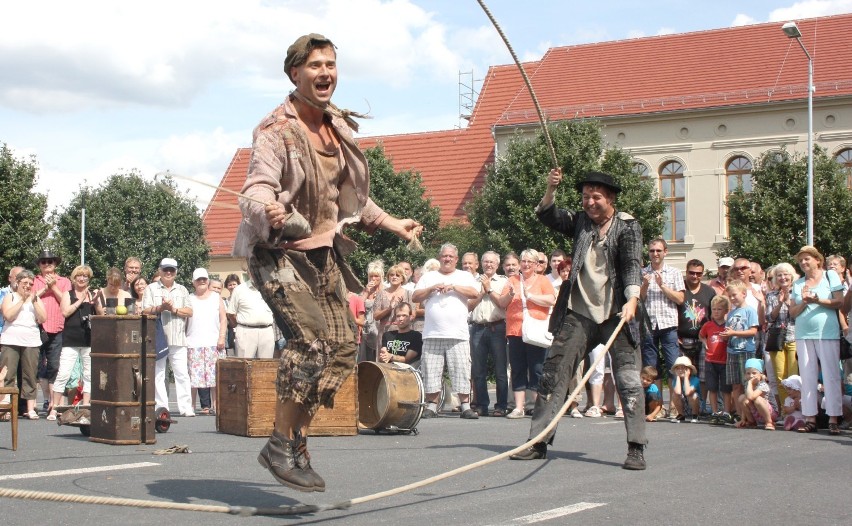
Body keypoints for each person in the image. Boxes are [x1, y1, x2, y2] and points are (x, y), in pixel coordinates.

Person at [234, 34, 421, 492]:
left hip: (322, 254)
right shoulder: (275, 131)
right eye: (315, 65)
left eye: (331, 64)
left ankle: (294, 442)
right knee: (312, 341)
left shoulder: (335, 129)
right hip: (276, 253)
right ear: (294, 73)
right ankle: (279, 442)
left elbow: (349, 199)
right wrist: (267, 210)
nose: (325, 73)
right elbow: (256, 188)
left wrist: (394, 223)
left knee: (342, 345)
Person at [510, 169, 647, 470]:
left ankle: (636, 447)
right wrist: (550, 188)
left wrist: (633, 299)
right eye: (586, 197)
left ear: (610, 198)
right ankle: (538, 442)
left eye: (596, 197)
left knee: (628, 379)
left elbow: (633, 265)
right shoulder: (580, 223)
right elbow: (548, 215)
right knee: (553, 373)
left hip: (616, 312)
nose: (590, 202)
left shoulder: (627, 226)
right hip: (579, 311)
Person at [412, 243, 480, 420]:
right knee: (431, 370)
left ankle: (465, 406)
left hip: (457, 333)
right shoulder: (429, 276)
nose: (447, 259)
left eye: (451, 256)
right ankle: (432, 406)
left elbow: (474, 292)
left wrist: (454, 287)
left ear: (456, 259)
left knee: (461, 369)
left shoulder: (464, 275)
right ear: (440, 257)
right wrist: (431, 288)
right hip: (433, 333)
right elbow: (415, 297)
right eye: (444, 256)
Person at [788, 245, 844, 435]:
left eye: (807, 259)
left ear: (817, 260)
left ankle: (834, 418)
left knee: (831, 376)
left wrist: (818, 300)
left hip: (827, 332)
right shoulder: (798, 284)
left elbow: (839, 302)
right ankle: (810, 417)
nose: (803, 262)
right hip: (804, 333)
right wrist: (804, 301)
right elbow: (793, 312)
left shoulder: (830, 276)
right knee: (808, 377)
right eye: (801, 260)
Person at [496, 249, 556, 418]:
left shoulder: (543, 280)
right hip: (515, 331)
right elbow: (501, 303)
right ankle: (519, 407)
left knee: (537, 368)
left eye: (530, 261)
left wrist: (530, 296)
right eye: (524, 261)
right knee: (517, 368)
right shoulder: (511, 280)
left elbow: (551, 299)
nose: (526, 264)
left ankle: (538, 407)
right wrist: (510, 295)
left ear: (537, 264)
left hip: (536, 330)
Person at [142, 258, 195, 417]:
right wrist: (161, 308)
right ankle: (161, 407)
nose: (169, 273)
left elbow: (190, 312)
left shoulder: (182, 290)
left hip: (178, 338)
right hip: (158, 338)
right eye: (165, 269)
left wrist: (173, 309)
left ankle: (186, 407)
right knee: (158, 374)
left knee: (182, 374)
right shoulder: (151, 289)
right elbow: (145, 311)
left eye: (171, 270)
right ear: (160, 270)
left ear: (176, 272)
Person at [640, 238, 685, 417]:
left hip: (668, 324)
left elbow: (680, 299)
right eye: (652, 251)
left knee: (673, 366)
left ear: (665, 252)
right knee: (651, 368)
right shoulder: (643, 272)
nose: (655, 254)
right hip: (649, 324)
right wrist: (645, 284)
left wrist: (662, 286)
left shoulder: (674, 272)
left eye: (658, 250)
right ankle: (656, 407)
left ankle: (675, 406)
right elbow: (640, 299)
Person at [49, 265, 96, 421]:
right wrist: (80, 301)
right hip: (71, 340)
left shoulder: (93, 295)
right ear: (73, 278)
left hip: (88, 340)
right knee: (63, 373)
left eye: (85, 276)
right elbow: (65, 312)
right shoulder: (68, 294)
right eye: (79, 276)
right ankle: (54, 408)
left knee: (88, 375)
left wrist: (95, 302)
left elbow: (100, 314)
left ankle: (86, 406)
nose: (82, 279)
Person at [467, 250, 509, 417]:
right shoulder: (472, 281)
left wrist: (489, 289)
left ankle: (501, 405)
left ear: (497, 265)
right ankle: (482, 405)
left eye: (492, 262)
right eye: (485, 262)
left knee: (500, 370)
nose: (488, 265)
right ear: (481, 263)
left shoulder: (504, 281)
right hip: (477, 327)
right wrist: (482, 292)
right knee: (478, 370)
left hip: (497, 327)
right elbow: (469, 306)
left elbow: (503, 304)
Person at [0, 270, 47, 419]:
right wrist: (22, 300)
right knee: (7, 374)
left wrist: (33, 301)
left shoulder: (36, 299)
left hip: (31, 341)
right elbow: (8, 315)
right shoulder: (10, 297)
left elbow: (43, 318)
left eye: (30, 284)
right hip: (10, 340)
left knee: (30, 375)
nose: (27, 286)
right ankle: (5, 406)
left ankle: (30, 408)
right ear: (18, 283)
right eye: (24, 283)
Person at [33, 249, 71, 415]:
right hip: (37, 328)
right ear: (39, 265)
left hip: (57, 327)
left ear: (55, 264)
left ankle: (53, 402)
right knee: (36, 367)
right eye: (43, 262)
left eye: (50, 262)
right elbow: (29, 298)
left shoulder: (64, 281)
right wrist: (43, 288)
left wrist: (53, 286)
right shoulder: (33, 280)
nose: (47, 265)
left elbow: (66, 300)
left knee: (55, 366)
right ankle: (40, 400)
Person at [186, 268, 227, 415]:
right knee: (193, 379)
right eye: (199, 279)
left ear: (208, 281)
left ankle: (217, 406)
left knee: (215, 377)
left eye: (204, 279)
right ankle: (189, 406)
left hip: (214, 342)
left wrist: (222, 337)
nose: (202, 281)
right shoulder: (189, 298)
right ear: (193, 282)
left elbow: (223, 319)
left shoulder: (216, 298)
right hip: (194, 342)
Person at [677, 259, 715, 408]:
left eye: (698, 274)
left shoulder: (709, 291)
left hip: (702, 338)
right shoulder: (680, 289)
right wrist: (675, 334)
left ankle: (701, 405)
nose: (695, 276)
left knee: (703, 375)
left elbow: (712, 316)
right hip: (682, 338)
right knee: (683, 373)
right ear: (686, 272)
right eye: (691, 273)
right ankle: (685, 405)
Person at [764, 262, 799, 404]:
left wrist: (788, 301)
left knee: (793, 376)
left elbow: (798, 315)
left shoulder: (797, 292)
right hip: (777, 338)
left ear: (792, 276)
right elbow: (769, 318)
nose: (783, 277)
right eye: (779, 275)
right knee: (780, 377)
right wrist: (779, 304)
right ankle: (785, 410)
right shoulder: (771, 295)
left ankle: (798, 409)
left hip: (794, 337)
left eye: (786, 274)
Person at [723, 280, 760, 410]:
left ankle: (751, 414)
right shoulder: (731, 313)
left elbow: (753, 331)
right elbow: (729, 331)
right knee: (735, 385)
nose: (732, 298)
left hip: (746, 351)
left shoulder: (750, 311)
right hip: (732, 351)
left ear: (743, 294)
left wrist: (734, 333)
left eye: (734, 295)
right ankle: (741, 415)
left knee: (748, 383)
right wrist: (726, 335)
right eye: (730, 296)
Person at [700, 294, 734, 424]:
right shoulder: (708, 325)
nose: (716, 312)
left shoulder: (728, 325)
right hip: (710, 360)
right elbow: (701, 335)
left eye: (719, 309)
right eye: (714, 309)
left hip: (724, 360)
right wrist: (704, 342)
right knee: (712, 388)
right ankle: (714, 411)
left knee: (726, 388)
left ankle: (726, 411)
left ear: (726, 311)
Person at [226, 277, 275, 359]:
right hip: (246, 331)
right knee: (244, 365)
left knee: (266, 366)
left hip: (267, 331)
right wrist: (240, 324)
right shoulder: (239, 289)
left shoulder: (272, 287)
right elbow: (231, 313)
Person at [372, 265, 412, 352]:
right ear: (388, 277)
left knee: (400, 360)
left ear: (403, 278)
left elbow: (413, 314)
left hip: (403, 332)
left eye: (398, 275)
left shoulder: (408, 294)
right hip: (385, 332)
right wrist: (389, 309)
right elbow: (375, 316)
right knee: (383, 361)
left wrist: (402, 309)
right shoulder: (381, 293)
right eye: (392, 275)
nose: (394, 277)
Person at [735, 358, 778, 430]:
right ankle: (751, 421)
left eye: (754, 373)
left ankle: (769, 422)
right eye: (748, 373)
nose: (751, 376)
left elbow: (751, 397)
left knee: (757, 399)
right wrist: (743, 419)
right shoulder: (748, 385)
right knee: (742, 398)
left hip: (770, 413)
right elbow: (746, 399)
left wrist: (749, 383)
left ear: (760, 374)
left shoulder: (763, 385)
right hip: (757, 413)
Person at [359, 260, 384, 362]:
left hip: (380, 328)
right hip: (366, 330)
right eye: (371, 276)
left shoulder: (385, 291)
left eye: (376, 276)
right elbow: (358, 306)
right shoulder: (364, 290)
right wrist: (366, 292)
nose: (373, 278)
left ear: (381, 276)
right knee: (365, 360)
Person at [669, 356, 700, 422]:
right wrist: (677, 377)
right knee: (674, 395)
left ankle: (695, 415)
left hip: (696, 405)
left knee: (693, 395)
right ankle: (681, 414)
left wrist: (686, 377)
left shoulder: (695, 380)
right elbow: (677, 392)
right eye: (678, 368)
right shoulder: (675, 381)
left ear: (689, 370)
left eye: (683, 368)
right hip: (684, 404)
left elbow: (688, 392)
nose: (680, 370)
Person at [0, 266, 24, 334]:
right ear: (10, 278)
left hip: (21, 333)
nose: (19, 280)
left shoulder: (28, 295)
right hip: (3, 333)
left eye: (22, 277)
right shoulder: (2, 293)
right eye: (17, 277)